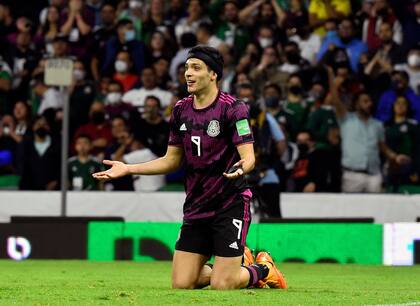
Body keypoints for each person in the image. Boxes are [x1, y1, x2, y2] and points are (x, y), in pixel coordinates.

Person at [93, 45, 287, 290]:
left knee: (222, 284)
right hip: (196, 205)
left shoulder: (233, 108)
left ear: (213, 74)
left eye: (196, 68)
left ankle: (264, 269)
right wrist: (128, 168)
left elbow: (248, 156)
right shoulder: (180, 110)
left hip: (229, 203)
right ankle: (238, 266)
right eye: (186, 68)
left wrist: (243, 167)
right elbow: (172, 160)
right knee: (182, 283)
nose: (188, 73)